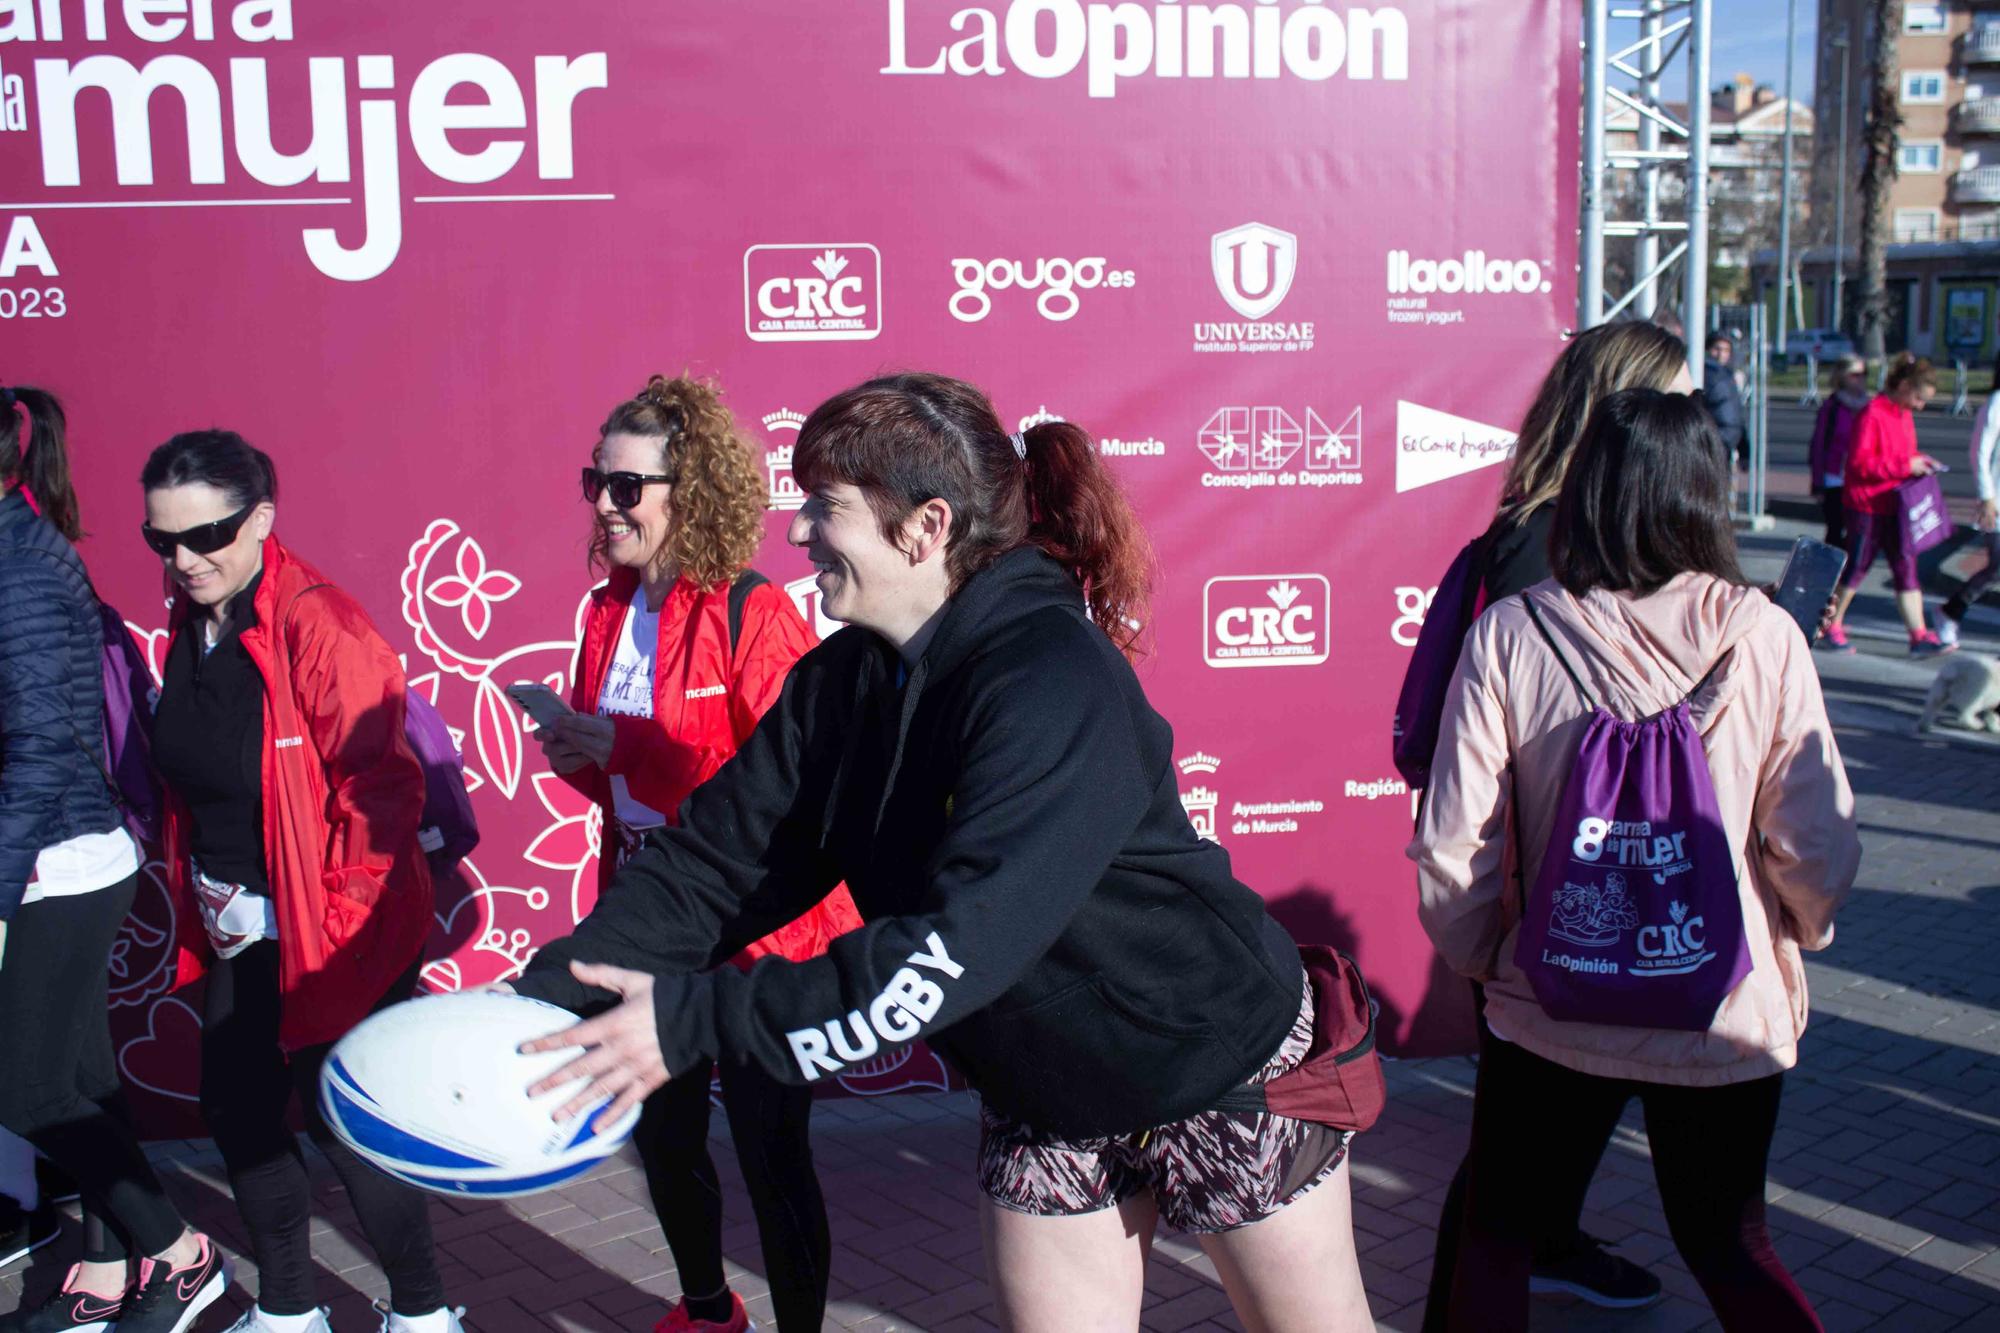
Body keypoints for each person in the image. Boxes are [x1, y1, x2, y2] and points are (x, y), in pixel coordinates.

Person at [508, 373, 1373, 1333]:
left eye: (826, 507)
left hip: (1215, 1064)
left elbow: (956, 944)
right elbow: (715, 863)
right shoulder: (841, 683)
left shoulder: (1052, 678)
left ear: (925, 528)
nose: (797, 534)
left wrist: (694, 1020)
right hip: (1045, 1089)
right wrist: (545, 998)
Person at [1413, 388, 1859, 1333]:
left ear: (1586, 492)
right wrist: (1797, 934)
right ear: (1707, 491)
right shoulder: (1765, 634)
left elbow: (1457, 848)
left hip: (1552, 1005)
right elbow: (1814, 839)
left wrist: (1490, 961)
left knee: (1496, 1237)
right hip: (1721, 1007)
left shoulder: (1511, 633)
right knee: (1732, 1242)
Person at [535, 376, 861, 1333]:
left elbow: (790, 792)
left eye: (628, 485)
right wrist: (585, 760)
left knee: (771, 1149)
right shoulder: (607, 610)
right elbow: (626, 788)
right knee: (663, 1133)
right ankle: (709, 1310)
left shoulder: (751, 613)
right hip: (647, 913)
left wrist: (626, 749)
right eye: (597, 480)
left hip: (759, 928)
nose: (605, 502)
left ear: (694, 490)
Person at [140, 432, 462, 1333]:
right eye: (161, 539)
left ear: (262, 520)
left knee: (349, 1127)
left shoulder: (321, 624)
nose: (184, 558)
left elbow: (382, 792)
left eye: (208, 535)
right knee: (238, 1112)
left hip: (330, 931)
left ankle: (424, 1314)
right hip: (236, 920)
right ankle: (288, 1309)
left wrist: (332, 928)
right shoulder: (191, 612)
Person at [1415, 320, 1691, 1323]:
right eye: (1673, 400)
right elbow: (1557, 736)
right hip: (1553, 879)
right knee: (1514, 1140)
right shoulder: (1548, 537)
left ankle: (1548, 1241)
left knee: (1543, 1125)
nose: (1690, 422)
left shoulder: (1557, 522)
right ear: (1622, 411)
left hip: (1562, 877)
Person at [0, 384, 230, 1333]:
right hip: (49, 854)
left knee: (25, 1084)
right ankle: (104, 1266)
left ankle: (182, 1255)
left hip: (58, 860)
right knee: (85, 1080)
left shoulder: (20, 564)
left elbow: (46, 747)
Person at [1825, 354, 1951, 655]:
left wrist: (1919, 460)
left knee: (1906, 567)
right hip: (1867, 504)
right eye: (1919, 398)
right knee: (1857, 566)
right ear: (1905, 386)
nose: (1920, 406)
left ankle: (1918, 635)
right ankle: (1830, 624)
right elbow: (1859, 465)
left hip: (1895, 504)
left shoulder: (1902, 414)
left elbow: (1901, 453)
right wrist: (1907, 465)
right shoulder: (1872, 413)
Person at [1935, 350, 2000, 648]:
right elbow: (1979, 451)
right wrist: (1986, 496)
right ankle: (1950, 611)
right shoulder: (1997, 403)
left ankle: (1952, 610)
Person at [1806, 356, 1871, 553]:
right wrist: (1817, 482)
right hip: (1835, 476)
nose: (1860, 379)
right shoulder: (1832, 407)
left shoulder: (1869, 405)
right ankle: (1829, 574)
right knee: (1835, 528)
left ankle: (1848, 575)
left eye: (1863, 374)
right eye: (1854, 375)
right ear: (1843, 377)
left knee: (1856, 529)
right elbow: (1818, 444)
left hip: (1860, 476)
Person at [1701, 333, 1747, 469]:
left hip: (1724, 443)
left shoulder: (1728, 375)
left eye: (1726, 350)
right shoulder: (1706, 374)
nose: (1721, 354)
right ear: (1707, 350)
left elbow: (1737, 413)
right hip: (1713, 442)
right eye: (1717, 349)